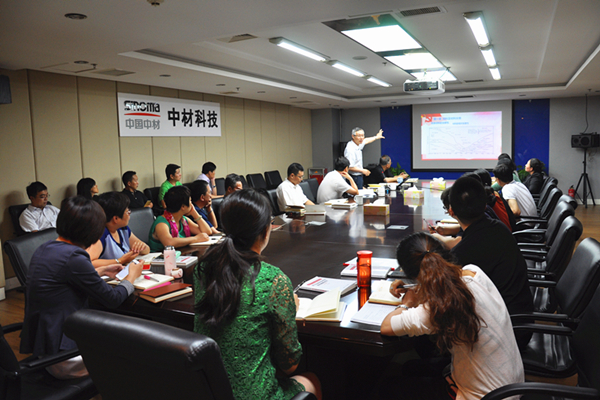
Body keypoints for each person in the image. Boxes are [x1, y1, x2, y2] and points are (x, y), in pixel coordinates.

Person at [194, 189, 322, 400]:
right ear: (265, 230)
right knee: (312, 381)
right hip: (255, 395)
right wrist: (289, 307)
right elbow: (290, 364)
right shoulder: (273, 280)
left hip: (209, 390)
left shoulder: (203, 270)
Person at [379, 232, 523, 400]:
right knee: (411, 367)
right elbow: (446, 287)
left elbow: (386, 326)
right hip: (511, 386)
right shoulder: (473, 273)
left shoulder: (437, 308)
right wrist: (417, 288)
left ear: (410, 273)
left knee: (389, 386)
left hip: (484, 396)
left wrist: (407, 303)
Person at [20, 196, 142, 379]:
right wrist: (131, 276)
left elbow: (63, 279)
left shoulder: (45, 248)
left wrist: (100, 271)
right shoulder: (74, 256)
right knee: (137, 347)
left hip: (46, 349)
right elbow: (112, 299)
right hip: (66, 356)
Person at [448, 176, 533, 350]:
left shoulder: (462, 254)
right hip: (521, 320)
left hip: (506, 335)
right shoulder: (498, 228)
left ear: (451, 211)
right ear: (484, 206)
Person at [89, 191, 150, 268]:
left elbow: (146, 250)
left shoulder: (122, 229)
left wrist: (142, 247)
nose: (129, 214)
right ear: (116, 219)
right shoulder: (101, 234)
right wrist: (120, 261)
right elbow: (89, 262)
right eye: (127, 212)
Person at [149, 185, 210, 251]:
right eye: (190, 201)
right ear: (183, 206)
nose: (191, 204)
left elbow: (206, 232)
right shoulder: (161, 223)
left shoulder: (183, 220)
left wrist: (195, 214)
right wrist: (196, 239)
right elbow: (169, 243)